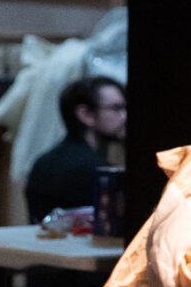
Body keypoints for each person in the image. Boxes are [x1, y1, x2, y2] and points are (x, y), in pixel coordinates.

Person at [23, 75, 127, 223]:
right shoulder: (98, 172)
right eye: (116, 108)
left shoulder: (42, 162)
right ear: (85, 115)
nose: (124, 117)